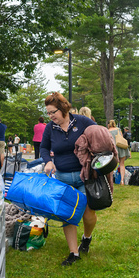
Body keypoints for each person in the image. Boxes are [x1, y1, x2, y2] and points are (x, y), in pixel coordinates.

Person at [40, 92, 96, 266]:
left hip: (83, 176)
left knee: (87, 214)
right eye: (48, 113)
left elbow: (99, 135)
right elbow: (43, 147)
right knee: (68, 215)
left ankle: (86, 237)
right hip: (63, 178)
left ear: (63, 108)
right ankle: (74, 252)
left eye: (53, 112)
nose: (50, 116)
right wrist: (48, 161)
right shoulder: (50, 128)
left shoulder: (82, 122)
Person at [108, 120, 130, 185]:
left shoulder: (108, 131)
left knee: (112, 166)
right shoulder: (118, 129)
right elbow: (122, 138)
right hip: (121, 147)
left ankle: (111, 180)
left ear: (109, 124)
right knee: (122, 164)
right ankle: (122, 180)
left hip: (114, 149)